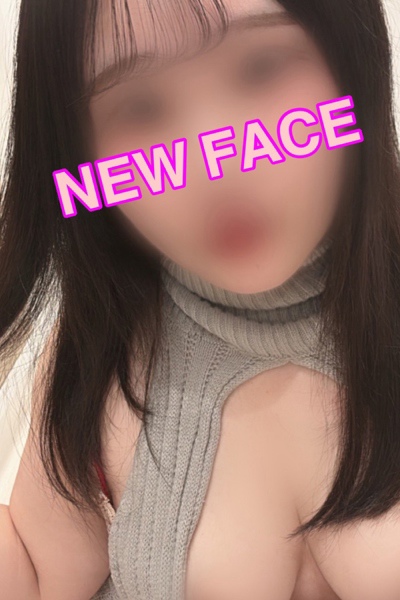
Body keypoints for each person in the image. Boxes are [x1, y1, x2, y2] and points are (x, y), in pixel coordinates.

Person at [0, 0, 400, 598]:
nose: (218, 167)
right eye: (141, 108)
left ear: (352, 60)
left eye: (261, 67)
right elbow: (37, 572)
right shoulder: (102, 346)